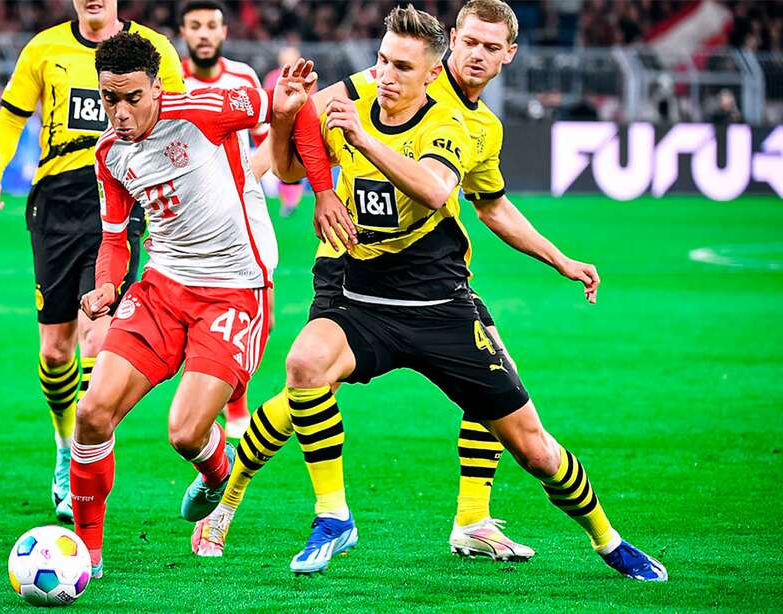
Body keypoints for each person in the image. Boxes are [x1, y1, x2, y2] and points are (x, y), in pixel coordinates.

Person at [203, 3, 668, 582]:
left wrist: (558, 258)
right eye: (468, 41)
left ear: (507, 55)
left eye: (490, 46)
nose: (475, 54)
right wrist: (304, 158)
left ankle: (596, 538)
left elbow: (474, 199)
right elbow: (301, 139)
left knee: (530, 443)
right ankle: (301, 509)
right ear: (448, 45)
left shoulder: (469, 125)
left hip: (436, 290)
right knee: (306, 366)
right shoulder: (378, 81)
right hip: (354, 279)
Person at [69, 32, 340, 580]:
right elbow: (116, 237)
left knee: (185, 432)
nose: (119, 114)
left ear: (157, 88)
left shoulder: (206, 108)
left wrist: (323, 190)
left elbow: (296, 107)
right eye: (107, 99)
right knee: (93, 413)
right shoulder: (108, 155)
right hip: (161, 286)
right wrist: (105, 284)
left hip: (236, 288)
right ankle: (85, 552)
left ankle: (217, 469)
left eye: (132, 98)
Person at [0, 0, 185, 524]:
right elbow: (11, 117)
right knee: (54, 349)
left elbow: (181, 129)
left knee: (98, 328)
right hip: (56, 201)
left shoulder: (153, 51)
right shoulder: (43, 48)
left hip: (121, 196)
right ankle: (66, 442)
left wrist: (169, 214)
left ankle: (86, 453)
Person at [179, 0, 271, 439]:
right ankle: (212, 407)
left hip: (241, 216)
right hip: (186, 220)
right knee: (192, 311)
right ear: (183, 31)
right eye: (194, 26)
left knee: (254, 316)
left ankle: (234, 404)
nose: (203, 34)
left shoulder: (243, 78)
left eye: (210, 25)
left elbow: (265, 142)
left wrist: (242, 185)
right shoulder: (170, 81)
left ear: (223, 32)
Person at [263, 45, 306, 218]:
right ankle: (285, 201)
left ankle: (292, 202)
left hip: (298, 129)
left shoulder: (305, 79)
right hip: (277, 130)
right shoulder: (273, 78)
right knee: (279, 165)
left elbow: (311, 102)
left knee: (296, 165)